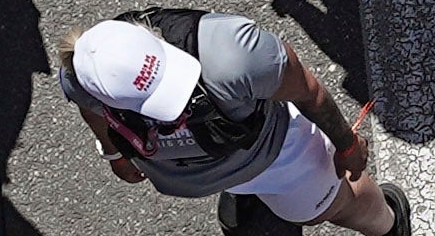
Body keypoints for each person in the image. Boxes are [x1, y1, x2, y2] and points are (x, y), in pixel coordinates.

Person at [63, 14, 394, 229]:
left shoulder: (236, 54)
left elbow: (309, 92)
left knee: (334, 207)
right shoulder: (82, 77)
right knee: (312, 207)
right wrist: (115, 153)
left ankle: (388, 224)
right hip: (225, 165)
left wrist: (346, 145)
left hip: (279, 155)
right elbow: (90, 108)